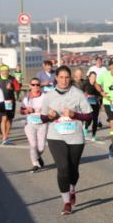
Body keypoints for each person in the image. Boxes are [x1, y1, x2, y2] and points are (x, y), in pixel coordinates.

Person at [39, 66, 93, 215]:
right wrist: (49, 116)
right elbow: (42, 118)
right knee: (62, 168)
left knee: (73, 169)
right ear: (56, 78)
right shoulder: (49, 95)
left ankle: (72, 188)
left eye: (67, 77)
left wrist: (74, 114)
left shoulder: (78, 94)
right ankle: (66, 202)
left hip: (75, 136)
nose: (64, 80)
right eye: (61, 77)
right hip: (55, 136)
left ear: (70, 78)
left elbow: (89, 115)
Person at [20, 78, 48, 172]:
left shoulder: (45, 96)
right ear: (30, 86)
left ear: (40, 86)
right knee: (33, 145)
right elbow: (21, 111)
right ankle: (35, 164)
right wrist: (26, 110)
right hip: (30, 124)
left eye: (37, 85)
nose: (35, 86)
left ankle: (37, 157)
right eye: (33, 84)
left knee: (41, 147)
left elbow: (51, 108)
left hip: (42, 124)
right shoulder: (26, 98)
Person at [0, 64, 21, 145]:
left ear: (9, 71)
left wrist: (12, 87)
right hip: (1, 102)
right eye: (3, 71)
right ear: (0, 71)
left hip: (10, 102)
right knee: (4, 118)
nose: (5, 72)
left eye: (6, 70)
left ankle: (5, 135)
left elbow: (18, 88)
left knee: (9, 119)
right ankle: (4, 137)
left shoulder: (12, 79)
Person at [81, 71, 103, 140]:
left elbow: (101, 94)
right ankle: (85, 128)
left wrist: (99, 99)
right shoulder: (85, 83)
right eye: (92, 77)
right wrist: (84, 94)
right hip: (87, 103)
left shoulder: (97, 85)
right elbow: (80, 92)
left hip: (95, 103)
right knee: (89, 118)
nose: (94, 78)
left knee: (95, 119)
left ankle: (94, 135)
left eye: (95, 77)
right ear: (89, 77)